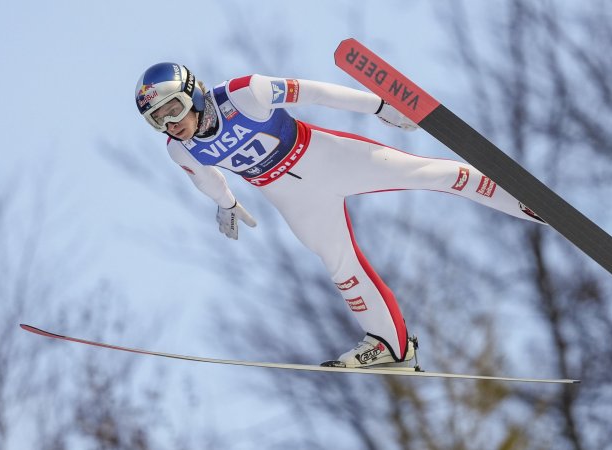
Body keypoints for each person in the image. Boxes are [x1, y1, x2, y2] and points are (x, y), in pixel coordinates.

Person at [135, 63, 546, 369]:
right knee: (340, 267)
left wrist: (380, 105)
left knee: (430, 174)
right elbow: (204, 179)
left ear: (193, 92)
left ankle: (521, 199)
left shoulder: (245, 93)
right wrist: (226, 204)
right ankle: (391, 345)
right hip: (291, 195)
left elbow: (316, 93)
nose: (170, 123)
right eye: (157, 119)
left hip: (328, 157)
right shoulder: (179, 149)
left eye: (172, 109)